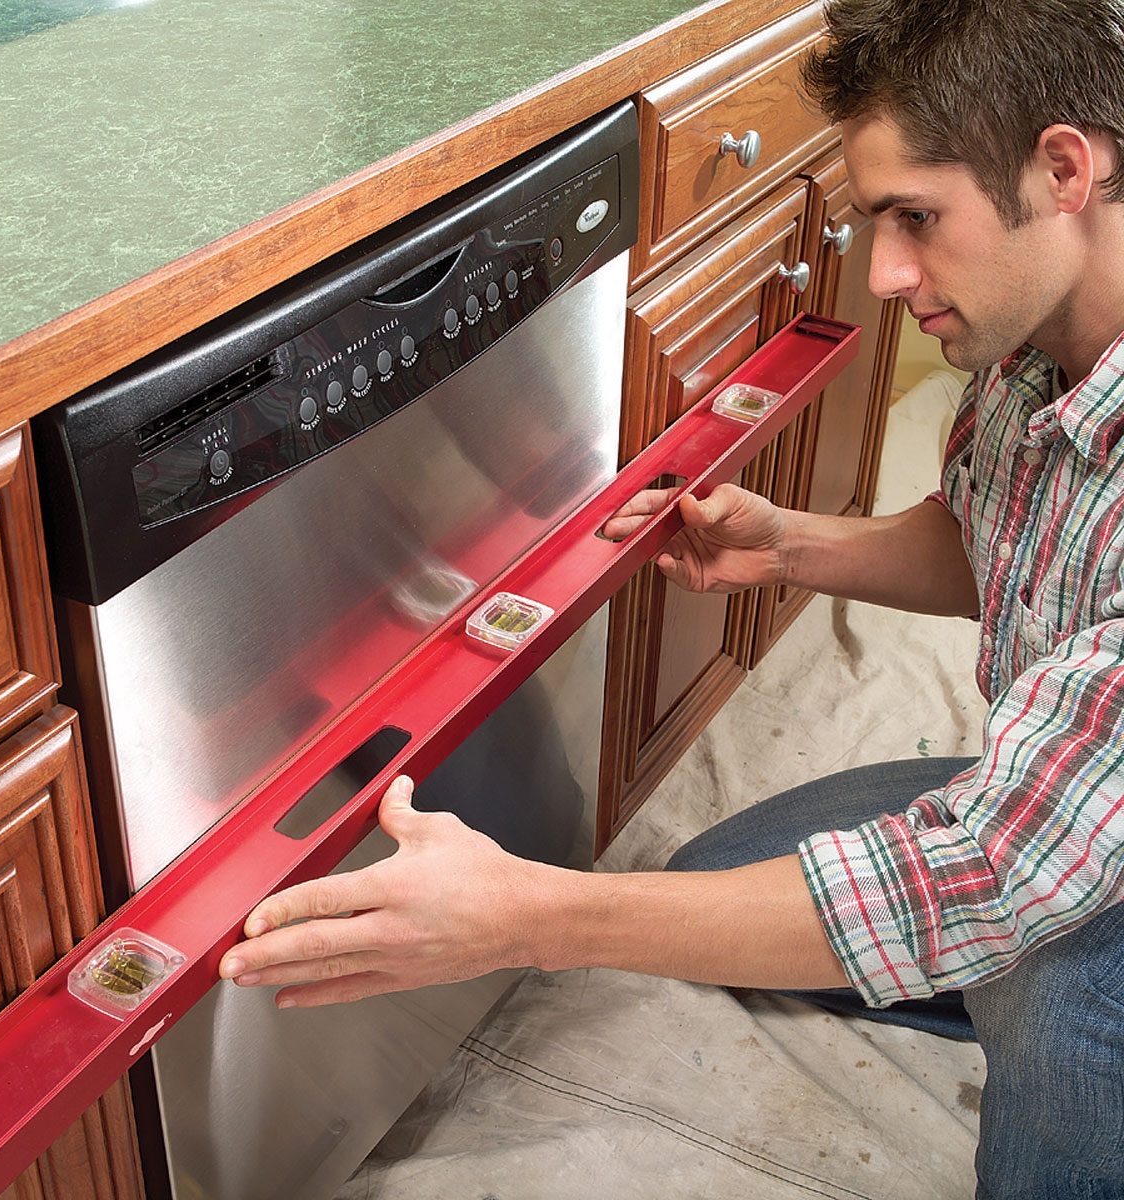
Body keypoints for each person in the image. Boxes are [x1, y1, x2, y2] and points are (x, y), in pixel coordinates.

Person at [220, 1, 1124, 1193]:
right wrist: (791, 546)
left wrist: (528, 919)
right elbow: (1006, 550)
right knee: (713, 891)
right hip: (1068, 795)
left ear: (1066, 168)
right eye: (874, 221)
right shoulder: (1030, 340)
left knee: (1035, 959)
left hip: (1060, 853)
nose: (888, 273)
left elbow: (999, 870)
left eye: (919, 218)